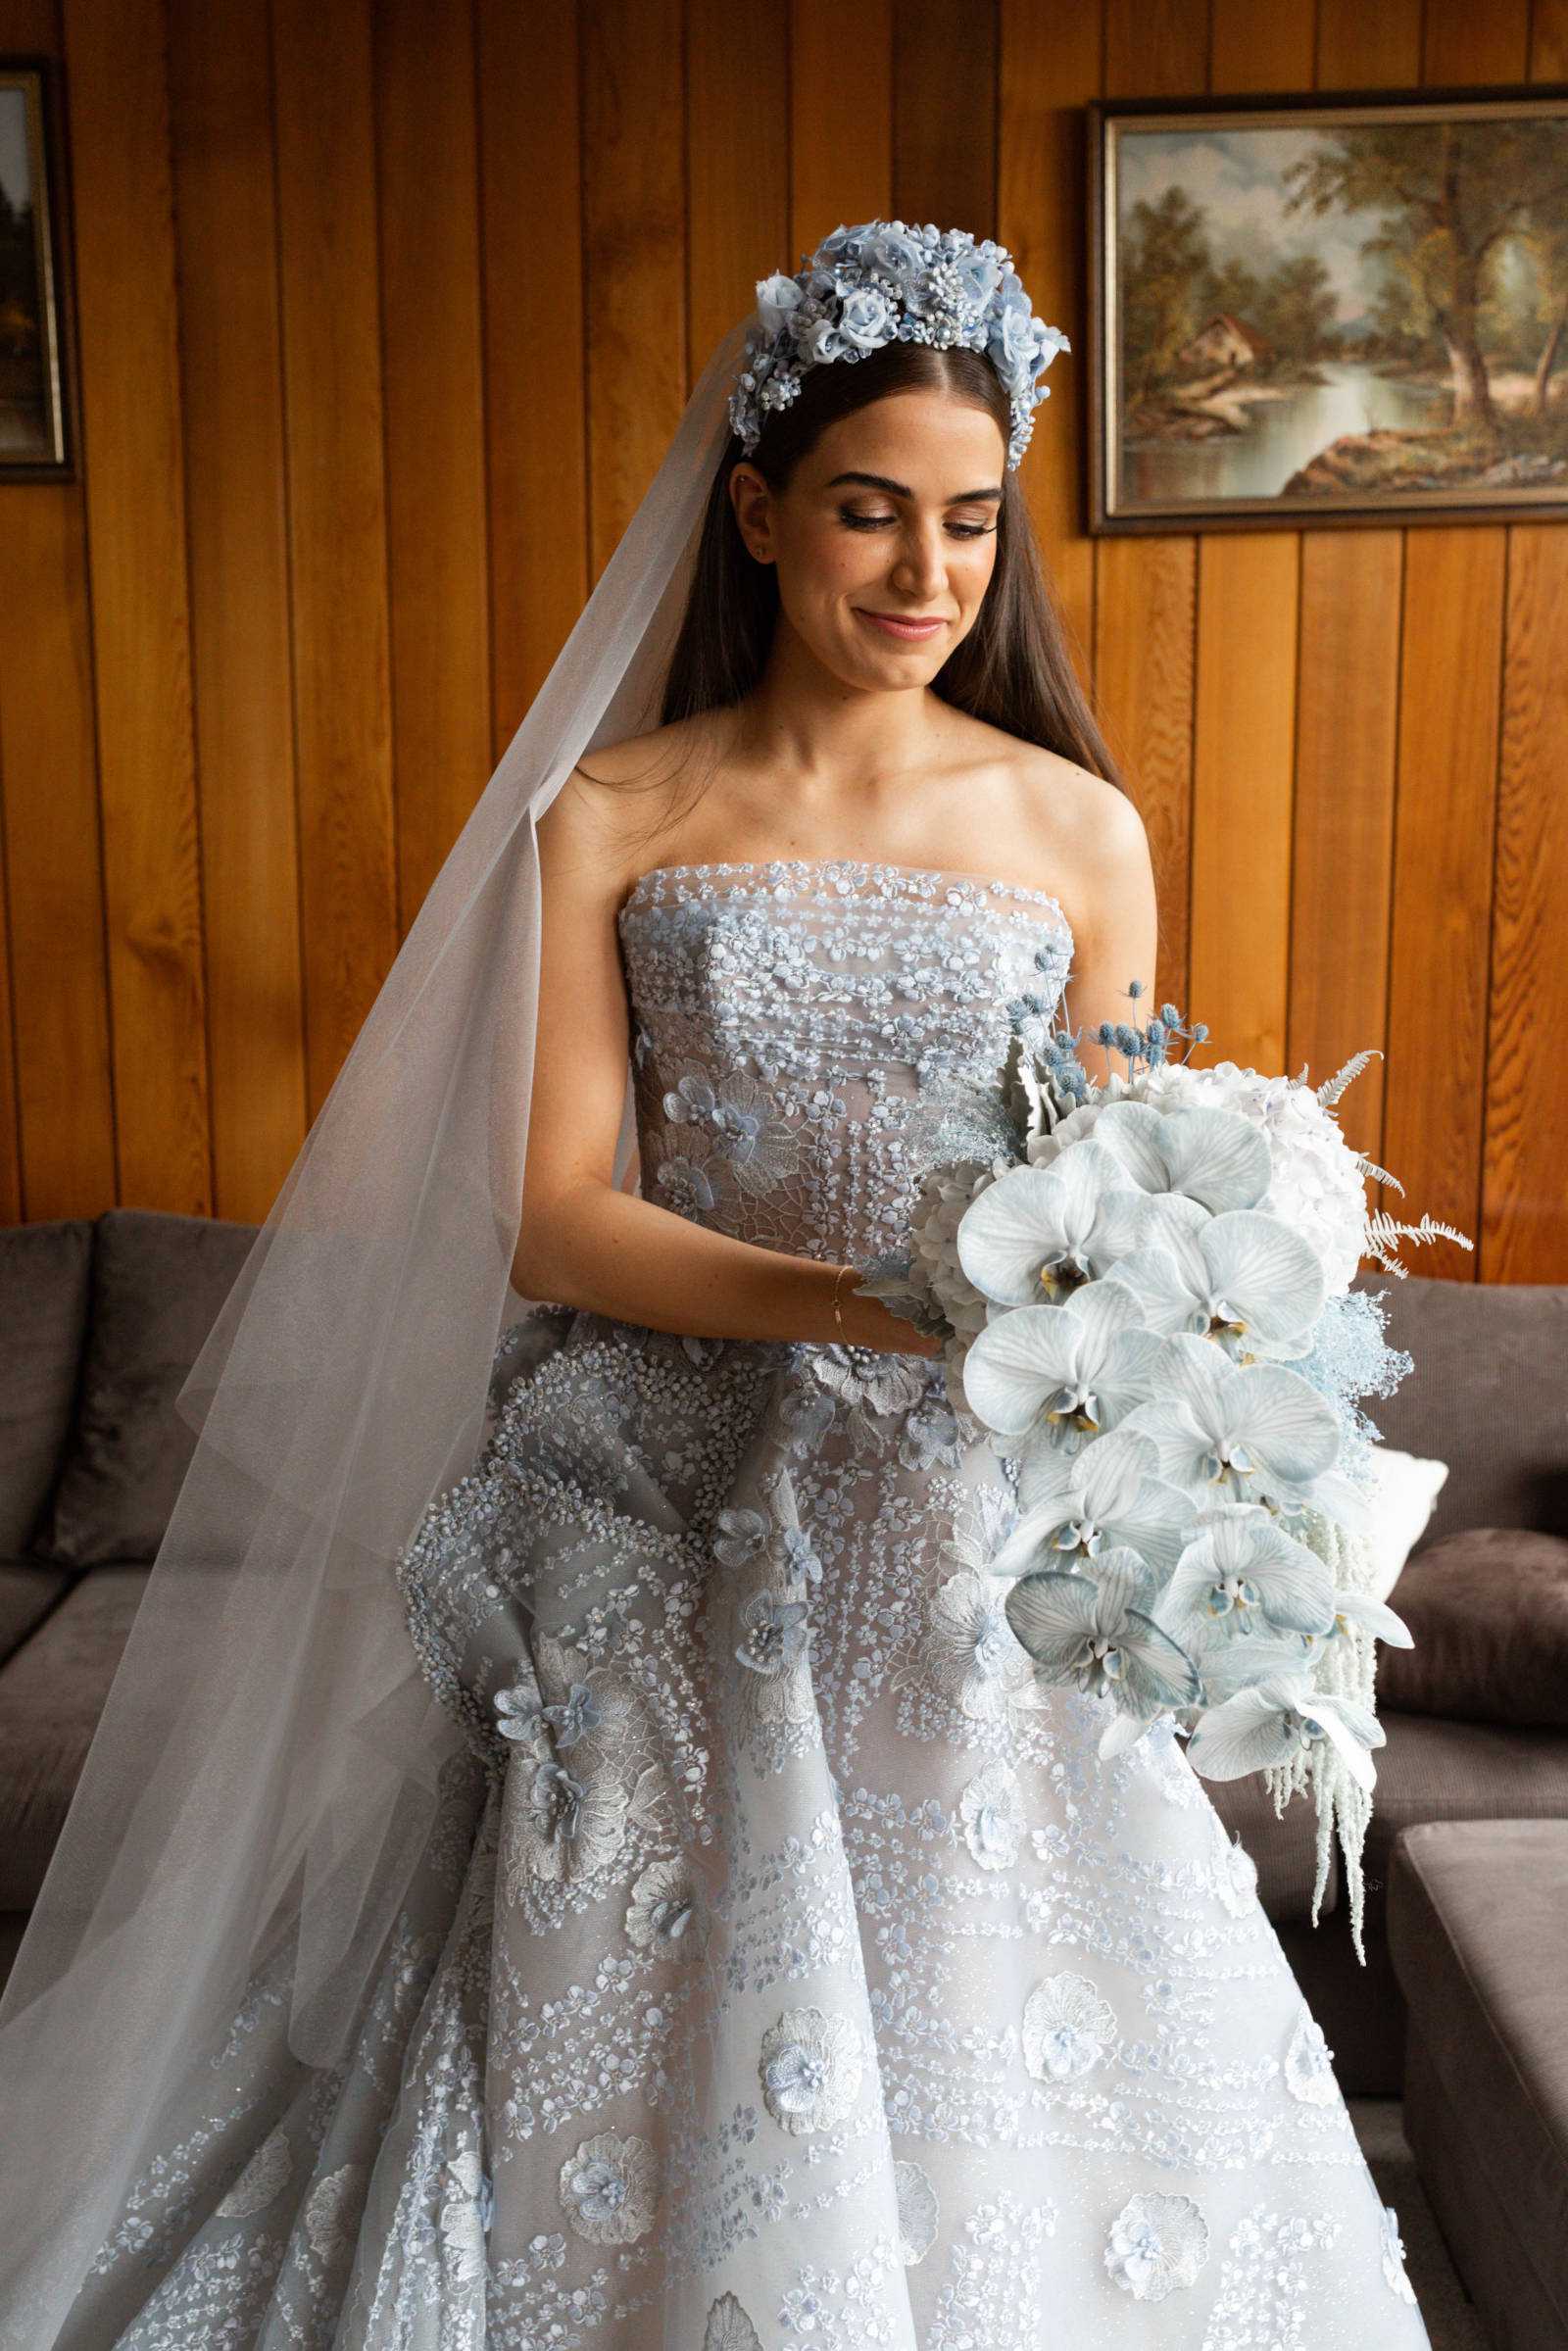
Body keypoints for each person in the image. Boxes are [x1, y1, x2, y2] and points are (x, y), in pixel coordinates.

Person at [0, 220, 1431, 2346]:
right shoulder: (608, 815)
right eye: (866, 512)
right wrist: (879, 1306)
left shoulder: (1075, 830)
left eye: (963, 521)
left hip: (966, 1511)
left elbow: (1112, 1174)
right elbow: (555, 1214)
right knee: (614, 1970)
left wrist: (1118, 1329)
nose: (921, 573)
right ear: (757, 511)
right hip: (662, 1479)